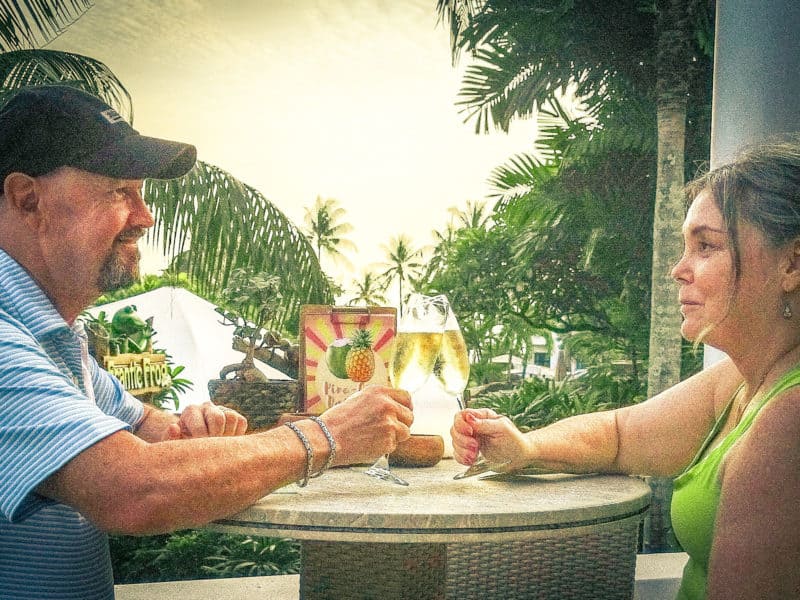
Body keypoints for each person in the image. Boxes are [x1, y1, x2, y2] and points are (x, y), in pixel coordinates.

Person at [0, 84, 413, 600]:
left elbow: (155, 433)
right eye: (118, 193)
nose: (145, 217)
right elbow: (132, 489)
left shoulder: (57, 340)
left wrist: (194, 429)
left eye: (141, 193)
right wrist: (328, 437)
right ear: (27, 199)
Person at [452, 138, 800, 600]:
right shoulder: (742, 381)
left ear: (792, 263)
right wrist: (526, 448)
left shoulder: (788, 419)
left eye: (706, 246)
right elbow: (620, 434)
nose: (679, 269)